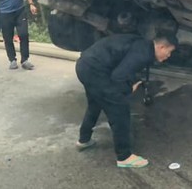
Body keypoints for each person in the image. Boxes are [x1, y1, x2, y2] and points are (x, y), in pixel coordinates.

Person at [75, 32, 178, 168]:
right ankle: (124, 156)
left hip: (85, 65)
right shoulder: (143, 53)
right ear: (162, 47)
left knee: (95, 103)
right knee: (119, 109)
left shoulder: (142, 45)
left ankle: (84, 140)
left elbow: (124, 65)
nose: (168, 56)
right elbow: (118, 77)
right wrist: (129, 88)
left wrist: (132, 81)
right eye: (169, 52)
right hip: (95, 70)